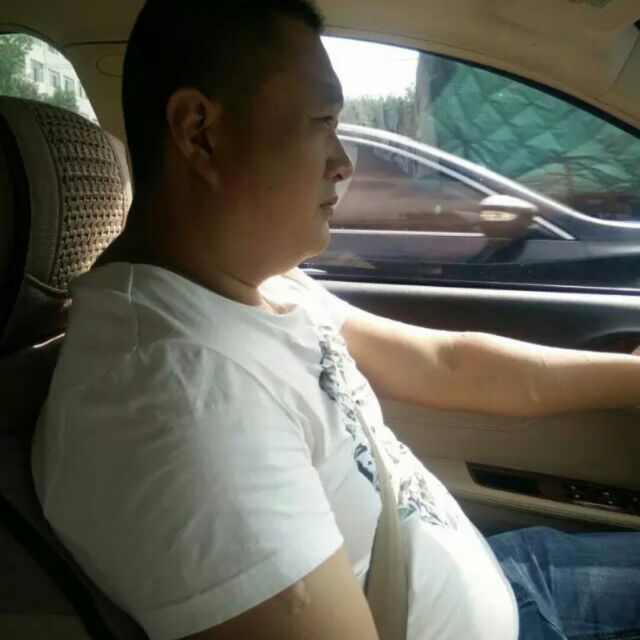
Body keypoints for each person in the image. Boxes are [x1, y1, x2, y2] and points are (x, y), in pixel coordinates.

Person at [31, 1, 640, 639]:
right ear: (200, 133)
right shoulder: (170, 394)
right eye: (322, 121)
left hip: (505, 577)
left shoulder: (252, 286)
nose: (345, 161)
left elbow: (448, 363)